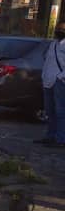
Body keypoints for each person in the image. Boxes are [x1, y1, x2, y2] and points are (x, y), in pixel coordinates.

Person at [36, 20, 65, 148]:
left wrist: (60, 77)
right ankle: (50, 136)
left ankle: (60, 139)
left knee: (60, 112)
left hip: (60, 82)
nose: (59, 31)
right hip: (47, 81)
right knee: (49, 111)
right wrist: (43, 76)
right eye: (59, 28)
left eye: (63, 29)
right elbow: (47, 61)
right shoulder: (53, 44)